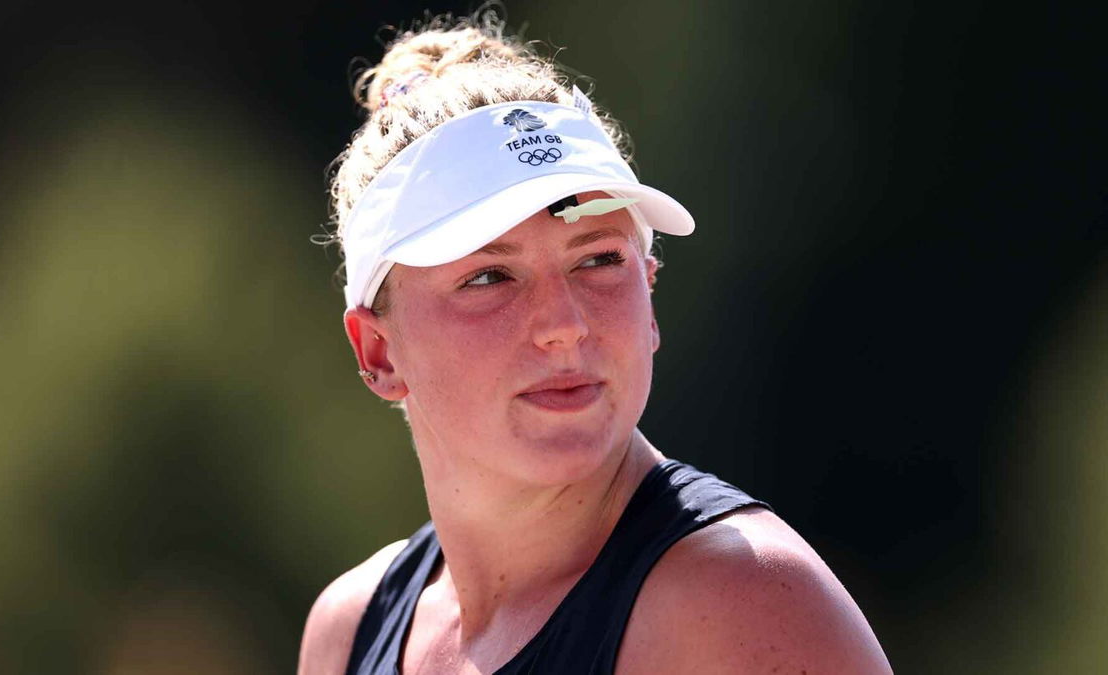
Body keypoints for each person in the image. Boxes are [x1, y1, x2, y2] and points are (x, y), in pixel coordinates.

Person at [299, 11, 892, 675]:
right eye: (489, 276)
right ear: (378, 352)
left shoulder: (745, 606)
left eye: (599, 259)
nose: (565, 322)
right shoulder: (350, 630)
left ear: (650, 293)